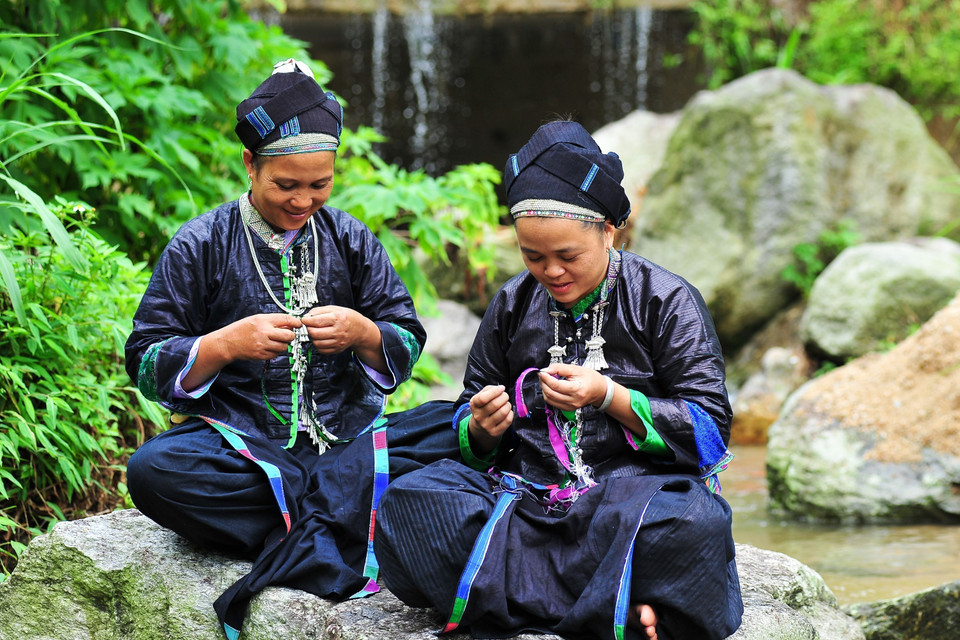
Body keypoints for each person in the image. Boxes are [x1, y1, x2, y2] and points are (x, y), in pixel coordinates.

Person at [124, 59, 457, 640]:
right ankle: (344, 519)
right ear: (250, 165)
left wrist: (364, 334)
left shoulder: (351, 238)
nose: (304, 201)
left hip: (346, 441)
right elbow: (148, 361)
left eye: (320, 185)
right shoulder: (202, 243)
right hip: (243, 449)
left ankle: (306, 523)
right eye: (286, 185)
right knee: (154, 472)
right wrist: (224, 344)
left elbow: (405, 337)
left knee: (457, 429)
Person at [372, 121, 744, 640]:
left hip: (630, 504)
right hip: (526, 503)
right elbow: (468, 413)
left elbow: (709, 431)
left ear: (609, 231)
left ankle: (510, 593)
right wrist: (483, 427)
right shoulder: (511, 302)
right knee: (412, 503)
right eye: (533, 256)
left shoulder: (666, 300)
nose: (551, 272)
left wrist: (610, 396)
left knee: (695, 525)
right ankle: (618, 601)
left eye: (568, 256)